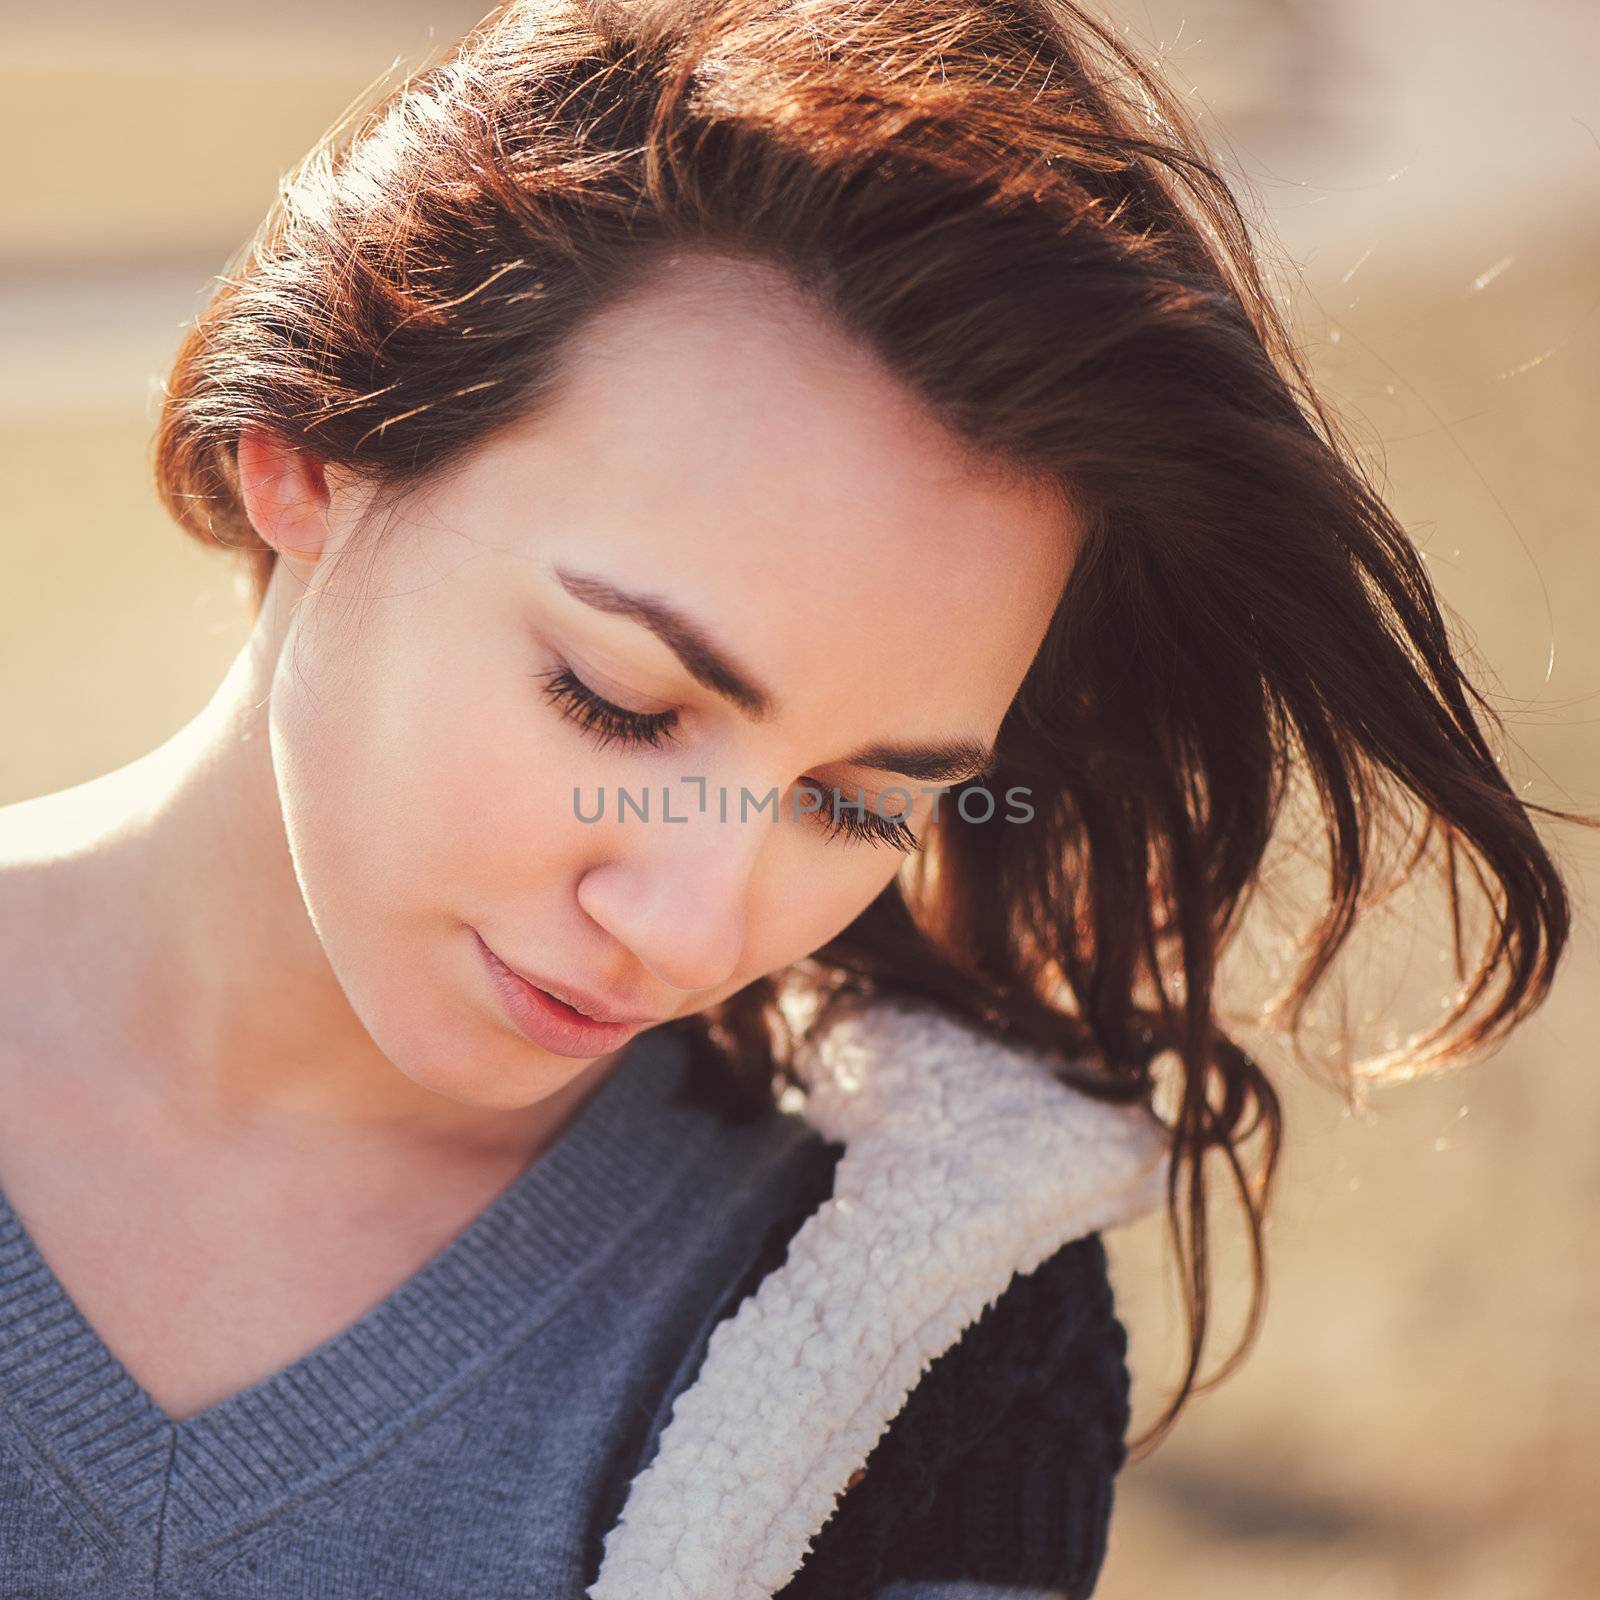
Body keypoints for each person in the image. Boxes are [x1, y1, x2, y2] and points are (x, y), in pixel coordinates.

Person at [0, 0, 1587, 1595]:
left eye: (856, 805)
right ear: (303, 457)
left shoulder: (929, 1345)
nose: (689, 927)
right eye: (617, 703)